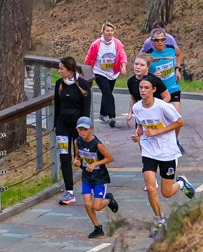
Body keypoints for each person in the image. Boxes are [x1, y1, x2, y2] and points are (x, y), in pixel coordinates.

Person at [131, 77, 196, 238]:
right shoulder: (137, 107)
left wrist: (157, 132)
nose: (143, 91)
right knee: (151, 187)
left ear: (154, 90)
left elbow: (180, 122)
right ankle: (160, 219)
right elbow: (140, 124)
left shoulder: (163, 107)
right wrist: (137, 134)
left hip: (167, 151)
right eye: (141, 88)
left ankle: (181, 183)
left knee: (166, 192)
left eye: (146, 88)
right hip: (149, 151)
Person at [54, 56, 92, 206]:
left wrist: (84, 129)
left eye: (61, 69)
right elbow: (57, 105)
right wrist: (56, 124)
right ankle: (69, 191)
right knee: (64, 157)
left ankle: (89, 186)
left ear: (69, 70)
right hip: (62, 126)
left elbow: (86, 108)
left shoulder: (82, 84)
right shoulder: (59, 84)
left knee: (82, 157)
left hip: (78, 127)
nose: (59, 71)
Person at [74, 117, 119, 238]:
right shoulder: (77, 141)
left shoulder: (97, 144)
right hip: (87, 177)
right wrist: (77, 161)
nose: (82, 132)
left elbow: (109, 158)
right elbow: (78, 156)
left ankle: (109, 199)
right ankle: (97, 227)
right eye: (80, 129)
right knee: (87, 204)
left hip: (100, 178)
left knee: (97, 206)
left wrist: (95, 164)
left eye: (85, 129)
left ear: (91, 129)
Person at [84, 23, 127, 127]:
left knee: (106, 93)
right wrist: (86, 71)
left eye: (111, 31)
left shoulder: (117, 43)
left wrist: (123, 66)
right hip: (99, 71)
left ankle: (103, 114)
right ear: (103, 32)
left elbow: (122, 55)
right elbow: (88, 59)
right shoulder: (96, 44)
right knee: (108, 93)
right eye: (107, 31)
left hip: (113, 72)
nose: (110, 33)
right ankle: (112, 117)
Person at [124, 55, 171, 127]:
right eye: (136, 64)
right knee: (140, 135)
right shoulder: (131, 81)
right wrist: (130, 113)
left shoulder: (155, 80)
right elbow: (133, 98)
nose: (138, 67)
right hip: (141, 114)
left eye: (142, 65)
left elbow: (167, 97)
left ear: (147, 67)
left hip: (156, 115)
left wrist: (155, 108)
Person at [145, 27, 183, 112]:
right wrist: (152, 76)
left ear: (165, 40)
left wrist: (177, 69)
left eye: (162, 39)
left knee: (175, 117)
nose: (160, 42)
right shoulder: (148, 54)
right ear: (152, 41)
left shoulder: (172, 48)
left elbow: (179, 54)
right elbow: (142, 73)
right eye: (156, 40)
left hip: (173, 88)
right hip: (158, 91)